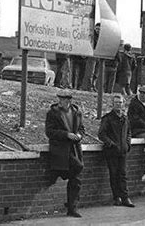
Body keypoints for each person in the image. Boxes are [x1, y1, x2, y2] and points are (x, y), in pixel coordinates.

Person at [45, 90, 85, 218]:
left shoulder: (76, 113)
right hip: (60, 149)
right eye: (60, 99)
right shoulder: (53, 113)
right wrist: (66, 134)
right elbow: (50, 131)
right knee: (78, 167)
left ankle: (72, 207)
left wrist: (79, 135)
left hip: (74, 148)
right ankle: (58, 173)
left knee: (76, 178)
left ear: (69, 100)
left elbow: (81, 129)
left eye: (65, 99)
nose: (62, 101)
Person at [98, 94, 135, 207]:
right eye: (116, 102)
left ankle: (125, 197)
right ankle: (116, 197)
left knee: (123, 174)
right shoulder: (108, 118)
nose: (119, 105)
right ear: (112, 104)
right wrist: (111, 144)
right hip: (112, 151)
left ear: (123, 104)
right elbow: (101, 134)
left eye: (120, 102)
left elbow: (128, 132)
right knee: (113, 174)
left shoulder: (125, 118)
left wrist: (128, 144)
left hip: (123, 150)